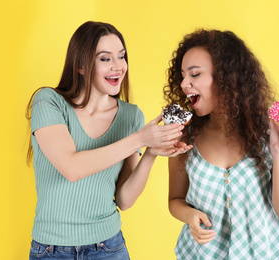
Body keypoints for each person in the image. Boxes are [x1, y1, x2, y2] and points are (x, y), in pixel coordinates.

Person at [25, 21, 191, 260]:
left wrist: (151, 152)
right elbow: (71, 167)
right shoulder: (49, 102)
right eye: (105, 59)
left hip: (108, 248)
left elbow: (124, 199)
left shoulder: (131, 116)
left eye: (121, 57)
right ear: (81, 65)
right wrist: (139, 139)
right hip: (50, 251)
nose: (118, 67)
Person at [165, 29, 279, 259]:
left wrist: (278, 152)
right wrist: (190, 216)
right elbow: (175, 200)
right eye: (182, 76)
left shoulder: (274, 131)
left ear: (225, 77)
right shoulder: (184, 136)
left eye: (194, 74)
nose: (184, 83)